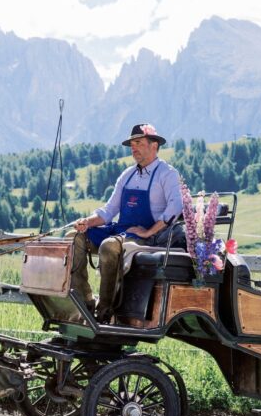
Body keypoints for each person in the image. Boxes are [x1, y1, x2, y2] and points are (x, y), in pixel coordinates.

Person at [70, 123, 185, 322]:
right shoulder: (127, 175)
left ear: (154, 145)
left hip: (148, 238)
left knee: (109, 246)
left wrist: (149, 232)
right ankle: (85, 302)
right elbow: (108, 211)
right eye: (132, 144)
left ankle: (105, 311)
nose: (133, 148)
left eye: (138, 143)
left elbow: (174, 210)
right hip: (121, 231)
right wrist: (87, 222)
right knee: (74, 238)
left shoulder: (167, 174)